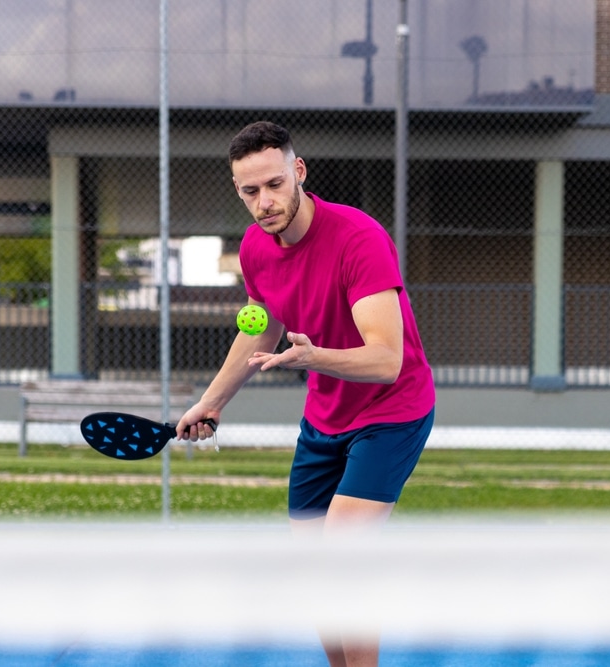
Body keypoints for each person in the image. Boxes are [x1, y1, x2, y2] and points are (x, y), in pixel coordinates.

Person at [176, 120, 436, 667]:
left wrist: (313, 357)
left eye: (274, 184)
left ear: (298, 172)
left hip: (392, 411)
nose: (264, 202)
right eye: (250, 191)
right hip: (325, 415)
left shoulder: (358, 238)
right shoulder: (254, 247)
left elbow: (386, 360)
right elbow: (262, 325)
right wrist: (214, 401)